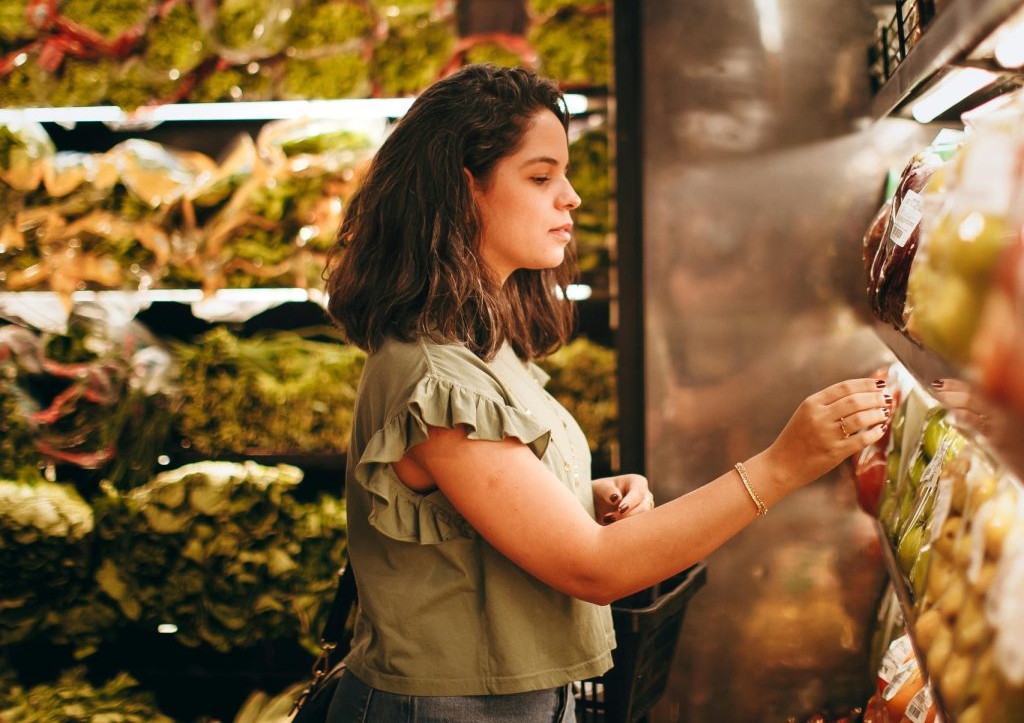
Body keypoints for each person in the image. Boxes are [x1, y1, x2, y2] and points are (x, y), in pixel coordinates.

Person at [323, 64, 890, 723]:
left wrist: (578, 497)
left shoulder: (482, 345)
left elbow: (472, 516)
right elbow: (595, 569)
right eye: (540, 177)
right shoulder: (434, 379)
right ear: (463, 190)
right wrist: (782, 464)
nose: (571, 198)